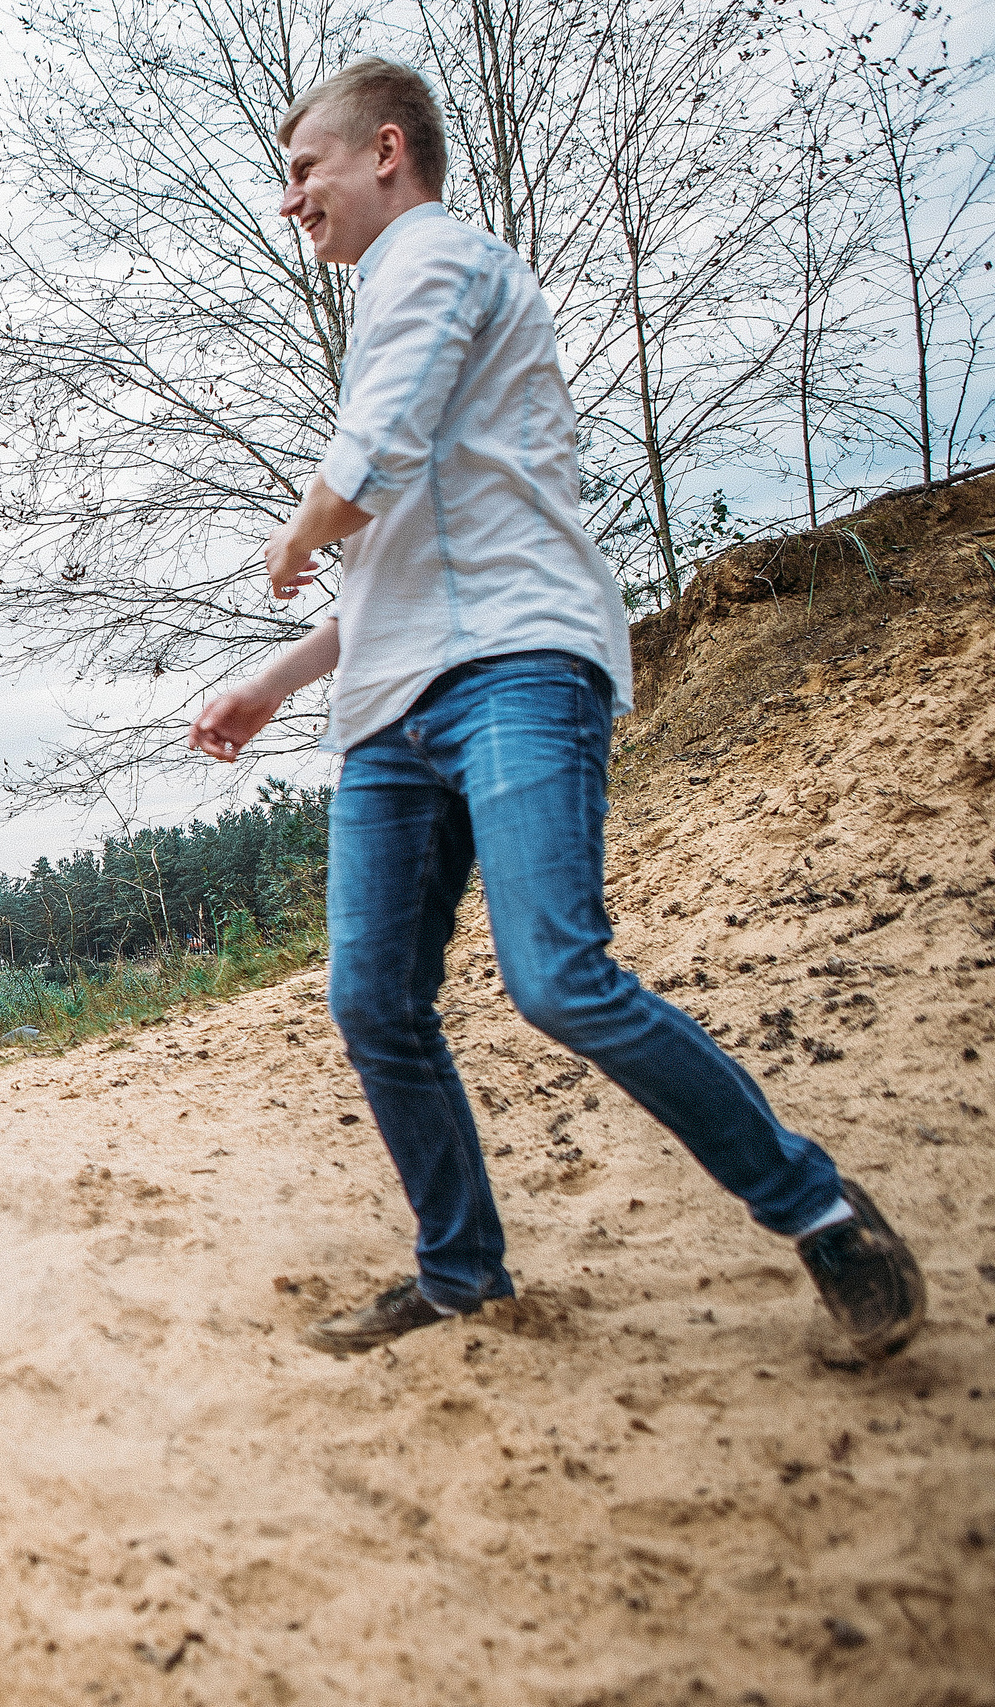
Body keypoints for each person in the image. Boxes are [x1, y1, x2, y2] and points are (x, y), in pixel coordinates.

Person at [186, 58, 923, 1361]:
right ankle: (459, 1268)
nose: (292, 199)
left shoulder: (435, 260)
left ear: (386, 153)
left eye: (305, 169)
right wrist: (275, 678)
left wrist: (300, 525)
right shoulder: (391, 304)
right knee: (373, 998)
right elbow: (405, 551)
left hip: (519, 667)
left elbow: (374, 461)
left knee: (559, 976)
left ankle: (821, 1210)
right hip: (393, 706)